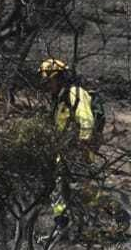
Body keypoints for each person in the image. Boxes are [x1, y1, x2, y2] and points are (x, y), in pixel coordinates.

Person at [39, 58, 101, 229]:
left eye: (50, 80)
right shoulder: (58, 99)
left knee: (83, 188)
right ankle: (62, 226)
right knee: (57, 189)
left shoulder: (75, 93)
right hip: (63, 152)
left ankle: (113, 217)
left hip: (78, 151)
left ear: (59, 77)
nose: (47, 85)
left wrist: (83, 145)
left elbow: (87, 120)